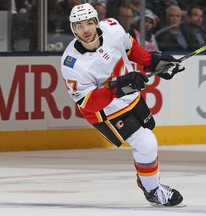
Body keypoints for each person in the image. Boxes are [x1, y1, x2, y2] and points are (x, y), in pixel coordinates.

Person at [61, 3, 185, 207]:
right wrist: (117, 88)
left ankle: (146, 181)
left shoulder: (112, 28)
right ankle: (153, 190)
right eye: (79, 25)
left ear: (97, 22)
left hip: (129, 98)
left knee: (147, 135)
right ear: (73, 29)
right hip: (104, 111)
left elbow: (131, 47)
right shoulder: (72, 64)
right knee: (146, 143)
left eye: (89, 23)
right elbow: (88, 103)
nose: (86, 30)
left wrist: (153, 63)